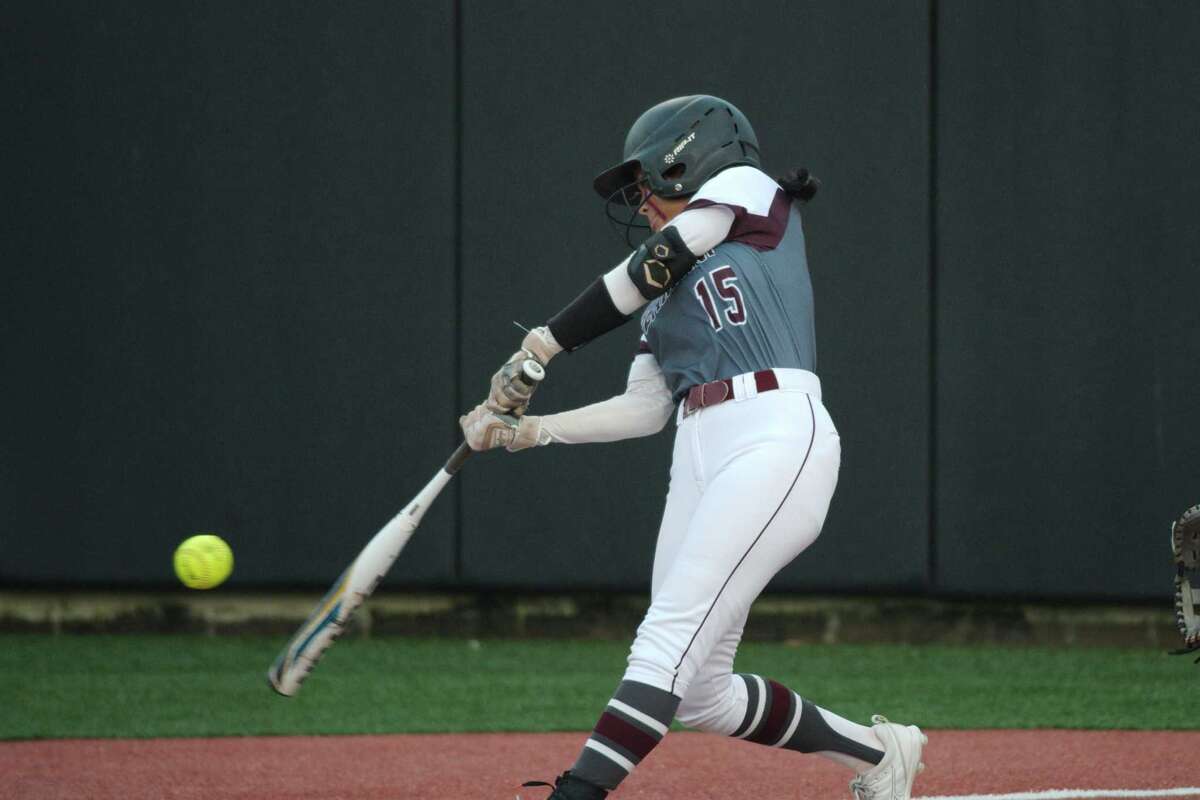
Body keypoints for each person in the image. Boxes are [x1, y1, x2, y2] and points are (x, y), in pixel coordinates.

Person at [459, 95, 926, 800]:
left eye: (645, 183)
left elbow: (661, 255)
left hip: (773, 430)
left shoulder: (746, 189)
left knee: (665, 640)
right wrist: (531, 430)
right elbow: (646, 408)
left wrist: (541, 346)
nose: (641, 203)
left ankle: (578, 792)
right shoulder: (663, 294)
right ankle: (881, 753)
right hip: (698, 450)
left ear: (689, 157)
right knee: (702, 690)